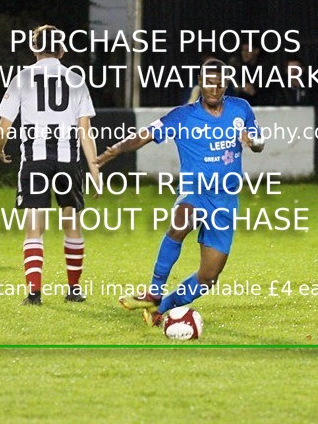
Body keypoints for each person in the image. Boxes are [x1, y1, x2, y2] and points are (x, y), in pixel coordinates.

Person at [96, 58, 264, 327]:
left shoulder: (240, 108)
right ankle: (154, 289)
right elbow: (145, 134)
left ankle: (161, 307)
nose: (214, 88)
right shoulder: (182, 116)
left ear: (226, 84)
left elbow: (259, 143)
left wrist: (252, 139)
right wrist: (117, 148)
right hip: (194, 192)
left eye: (220, 83)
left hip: (225, 201)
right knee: (181, 222)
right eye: (209, 82)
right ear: (200, 83)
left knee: (208, 278)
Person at [0, 24, 100, 305]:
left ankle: (34, 293)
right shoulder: (76, 79)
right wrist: (95, 170)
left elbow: (3, 127)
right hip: (68, 161)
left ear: (34, 48)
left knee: (34, 227)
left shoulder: (21, 78)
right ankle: (74, 291)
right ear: (62, 50)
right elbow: (84, 130)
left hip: (35, 159)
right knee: (71, 224)